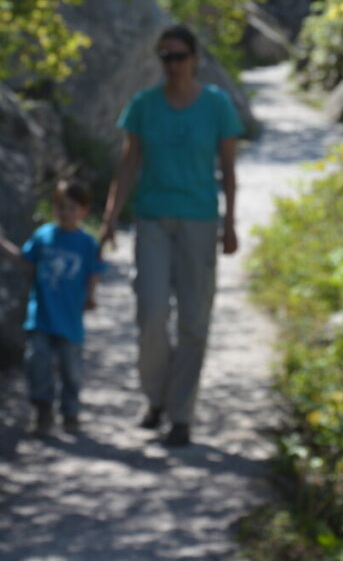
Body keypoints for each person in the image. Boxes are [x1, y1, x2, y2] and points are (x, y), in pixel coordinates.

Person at [100, 24, 243, 447]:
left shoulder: (217, 106)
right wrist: (110, 217)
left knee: (195, 321)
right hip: (152, 220)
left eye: (180, 56)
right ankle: (155, 398)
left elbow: (229, 169)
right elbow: (128, 164)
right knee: (152, 314)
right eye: (166, 57)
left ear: (196, 59)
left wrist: (230, 222)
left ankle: (181, 414)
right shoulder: (144, 105)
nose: (173, 65)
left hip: (199, 220)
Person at [0, 179, 105, 436]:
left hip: (70, 319)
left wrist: (91, 296)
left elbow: (93, 272)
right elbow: (24, 259)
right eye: (61, 206)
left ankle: (70, 413)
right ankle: (42, 410)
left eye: (72, 207)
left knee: (71, 370)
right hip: (41, 315)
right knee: (37, 361)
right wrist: (0, 244)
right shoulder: (44, 236)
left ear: (83, 210)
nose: (65, 212)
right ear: (54, 207)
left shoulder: (86, 243)